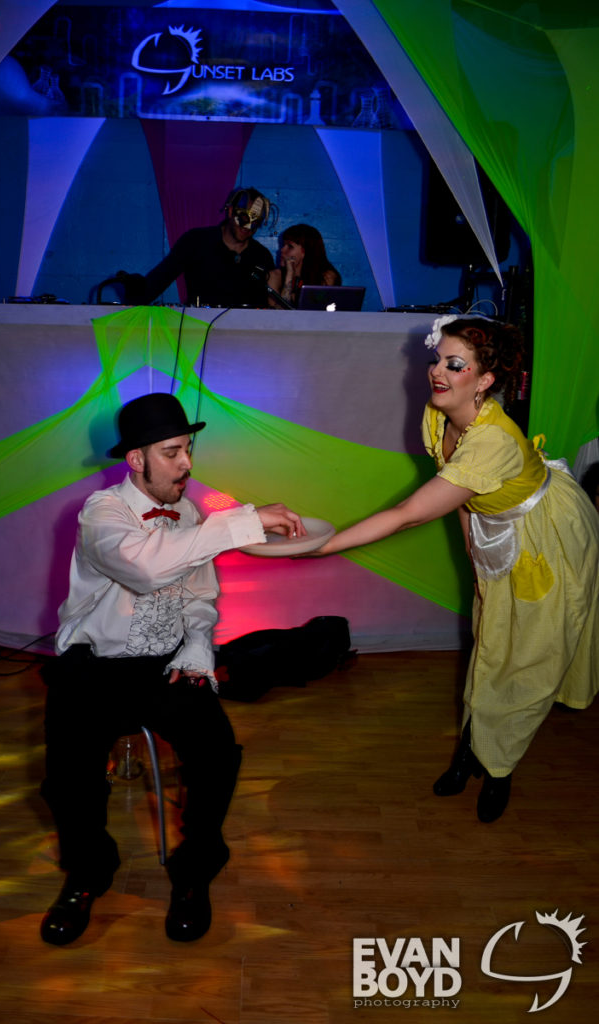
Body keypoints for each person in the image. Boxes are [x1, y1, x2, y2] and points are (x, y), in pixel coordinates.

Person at [39, 392, 305, 946]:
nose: (187, 464)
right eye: (172, 452)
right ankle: (87, 872)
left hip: (167, 664)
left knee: (217, 753)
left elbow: (199, 597)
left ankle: (194, 872)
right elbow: (145, 567)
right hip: (95, 665)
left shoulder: (190, 515)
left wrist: (198, 646)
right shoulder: (101, 512)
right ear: (136, 459)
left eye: (188, 450)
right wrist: (244, 520)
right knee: (68, 773)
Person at [313, 315, 599, 822]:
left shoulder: (493, 441)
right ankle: (470, 750)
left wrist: (324, 546)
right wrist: (472, 549)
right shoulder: (439, 413)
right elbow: (461, 492)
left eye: (454, 364)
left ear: (484, 380)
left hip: (548, 541)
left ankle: (499, 768)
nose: (437, 372)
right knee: (489, 644)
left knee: (529, 660)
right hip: (498, 533)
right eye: (437, 360)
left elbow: (408, 514)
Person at [116, 187, 277, 308]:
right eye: (244, 218)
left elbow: (270, 308)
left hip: (246, 335)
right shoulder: (196, 242)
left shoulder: (261, 256)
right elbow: (159, 280)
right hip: (199, 331)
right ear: (230, 212)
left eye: (256, 222)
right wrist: (133, 295)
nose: (248, 226)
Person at [268, 223, 341, 308]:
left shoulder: (326, 277)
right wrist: (289, 276)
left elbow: (322, 310)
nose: (282, 250)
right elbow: (278, 313)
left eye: (290, 246)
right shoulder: (274, 276)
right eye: (283, 245)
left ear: (305, 252)